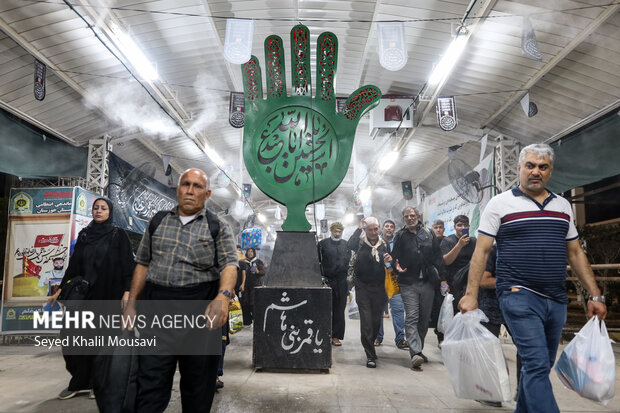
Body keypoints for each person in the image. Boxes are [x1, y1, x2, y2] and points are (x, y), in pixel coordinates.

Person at [459, 144, 607, 413]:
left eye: (542, 166)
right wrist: (471, 294)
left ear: (550, 171)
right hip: (517, 295)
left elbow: (574, 252)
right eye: (530, 166)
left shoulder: (562, 206)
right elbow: (481, 251)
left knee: (535, 366)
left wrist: (595, 294)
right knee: (537, 364)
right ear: (518, 169)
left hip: (556, 299)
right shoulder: (500, 204)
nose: (535, 171)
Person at [124, 168, 238, 413]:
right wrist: (132, 301)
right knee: (150, 382)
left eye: (197, 186)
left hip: (200, 311)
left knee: (198, 386)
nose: (190, 190)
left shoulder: (217, 226)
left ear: (207, 194)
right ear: (178, 189)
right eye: (185, 184)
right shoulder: (158, 221)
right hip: (157, 310)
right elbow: (143, 263)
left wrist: (223, 296)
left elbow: (230, 264)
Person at [49, 197, 135, 400]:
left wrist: (127, 291)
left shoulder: (118, 235)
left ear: (109, 212)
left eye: (103, 208)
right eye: (96, 208)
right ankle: (79, 381)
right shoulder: (85, 234)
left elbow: (128, 266)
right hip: (83, 296)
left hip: (108, 294)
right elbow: (74, 265)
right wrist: (61, 289)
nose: (98, 211)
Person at [391, 207, 445, 370]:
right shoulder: (400, 235)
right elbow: (395, 257)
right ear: (404, 219)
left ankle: (418, 349)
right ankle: (414, 353)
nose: (409, 218)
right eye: (406, 216)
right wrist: (396, 266)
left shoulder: (428, 233)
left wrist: (443, 279)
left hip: (428, 282)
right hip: (408, 282)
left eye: (412, 216)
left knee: (424, 319)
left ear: (418, 217)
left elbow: (438, 257)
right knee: (412, 317)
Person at [347, 217, 392, 368]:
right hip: (363, 287)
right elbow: (349, 244)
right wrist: (359, 228)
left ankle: (371, 345)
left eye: (375, 229)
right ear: (366, 230)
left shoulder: (384, 244)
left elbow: (389, 265)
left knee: (376, 321)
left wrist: (390, 261)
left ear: (379, 229)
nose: (373, 232)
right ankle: (370, 355)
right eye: (370, 229)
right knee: (366, 322)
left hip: (379, 288)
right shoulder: (360, 242)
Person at [375, 219, 407, 350]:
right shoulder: (375, 242)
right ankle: (378, 337)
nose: (389, 228)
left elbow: (403, 258)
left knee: (398, 309)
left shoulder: (398, 243)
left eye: (391, 227)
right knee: (378, 311)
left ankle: (400, 339)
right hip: (378, 280)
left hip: (394, 280)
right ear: (382, 229)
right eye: (386, 226)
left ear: (394, 230)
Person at [318, 222, 351, 346]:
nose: (337, 233)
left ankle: (336, 336)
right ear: (331, 230)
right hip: (327, 281)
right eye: (335, 231)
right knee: (325, 309)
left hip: (341, 282)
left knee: (339, 310)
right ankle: (323, 334)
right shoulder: (322, 244)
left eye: (340, 231)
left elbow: (349, 261)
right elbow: (317, 261)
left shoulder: (346, 244)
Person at [441, 215, 476, 303]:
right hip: (453, 283)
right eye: (459, 225)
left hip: (470, 282)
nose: (462, 228)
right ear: (455, 227)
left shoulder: (474, 241)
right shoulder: (448, 241)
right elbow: (446, 261)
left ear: (469, 226)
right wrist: (459, 245)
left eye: (465, 225)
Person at [241, 247, 266, 325]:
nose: (250, 253)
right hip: (246, 287)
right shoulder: (243, 262)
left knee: (254, 304)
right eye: (248, 251)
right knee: (245, 304)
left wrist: (257, 271)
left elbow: (263, 272)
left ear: (254, 253)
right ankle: (247, 322)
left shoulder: (258, 262)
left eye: (252, 251)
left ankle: (257, 321)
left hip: (255, 286)